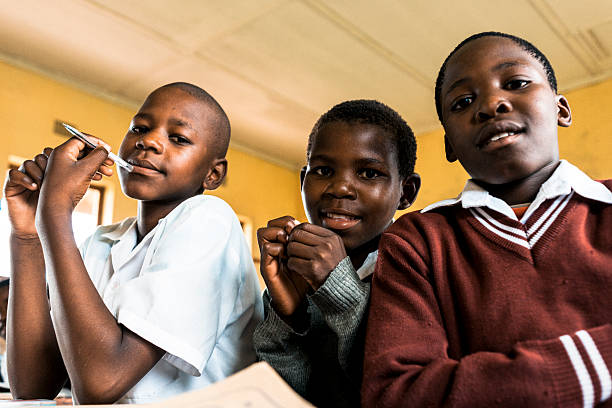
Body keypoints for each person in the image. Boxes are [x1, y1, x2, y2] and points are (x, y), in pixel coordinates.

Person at [362, 32, 612, 408]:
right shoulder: (418, 240)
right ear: (449, 145)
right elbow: (397, 394)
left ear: (561, 109)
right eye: (463, 102)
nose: (492, 104)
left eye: (516, 83)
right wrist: (593, 364)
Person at [4, 82, 263, 404]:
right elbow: (33, 388)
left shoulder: (210, 219)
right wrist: (27, 236)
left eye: (178, 138)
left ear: (213, 174)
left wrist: (55, 213)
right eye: (140, 128)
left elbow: (102, 384)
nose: (148, 141)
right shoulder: (103, 241)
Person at [253, 99, 421, 407]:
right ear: (303, 182)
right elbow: (278, 396)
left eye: (369, 173)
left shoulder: (418, 269)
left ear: (405, 192)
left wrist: (337, 286)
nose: (339, 187)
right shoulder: (294, 272)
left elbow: (394, 388)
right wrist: (288, 317)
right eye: (323, 170)